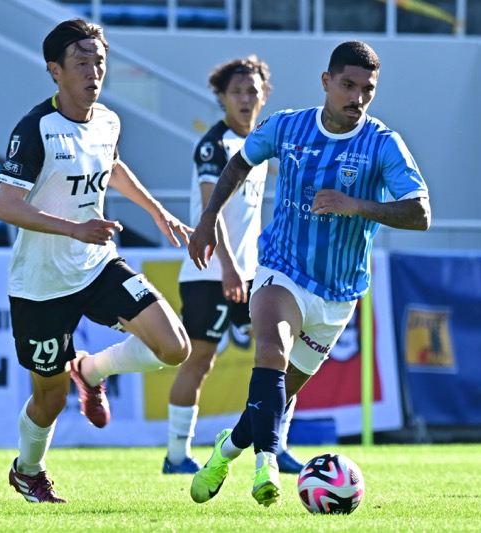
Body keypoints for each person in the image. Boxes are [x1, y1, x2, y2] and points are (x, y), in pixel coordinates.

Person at [187, 40, 431, 507]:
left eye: (367, 89)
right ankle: (267, 464)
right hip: (282, 268)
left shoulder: (382, 143)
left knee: (275, 395)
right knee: (271, 349)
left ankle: (226, 450)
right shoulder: (288, 127)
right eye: (348, 85)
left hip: (338, 293)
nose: (356, 97)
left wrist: (355, 204)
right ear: (327, 82)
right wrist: (207, 220)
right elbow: (239, 162)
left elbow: (421, 213)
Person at [0, 18, 192, 503]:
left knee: (175, 347)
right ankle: (28, 470)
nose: (94, 71)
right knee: (50, 399)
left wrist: (157, 210)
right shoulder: (35, 128)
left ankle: (93, 370)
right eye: (82, 62)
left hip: (97, 264)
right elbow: (7, 205)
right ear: (55, 71)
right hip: (40, 284)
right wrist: (74, 228)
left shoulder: (107, 120)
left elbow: (113, 164)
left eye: (99, 61)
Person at [163, 56, 304, 476]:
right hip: (210, 272)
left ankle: (276, 446)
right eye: (237, 92)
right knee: (200, 360)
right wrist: (227, 266)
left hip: (253, 273)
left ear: (264, 96)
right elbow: (214, 209)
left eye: (252, 91)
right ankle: (175, 456)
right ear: (222, 98)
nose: (245, 99)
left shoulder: (259, 145)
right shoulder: (215, 145)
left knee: (283, 357)